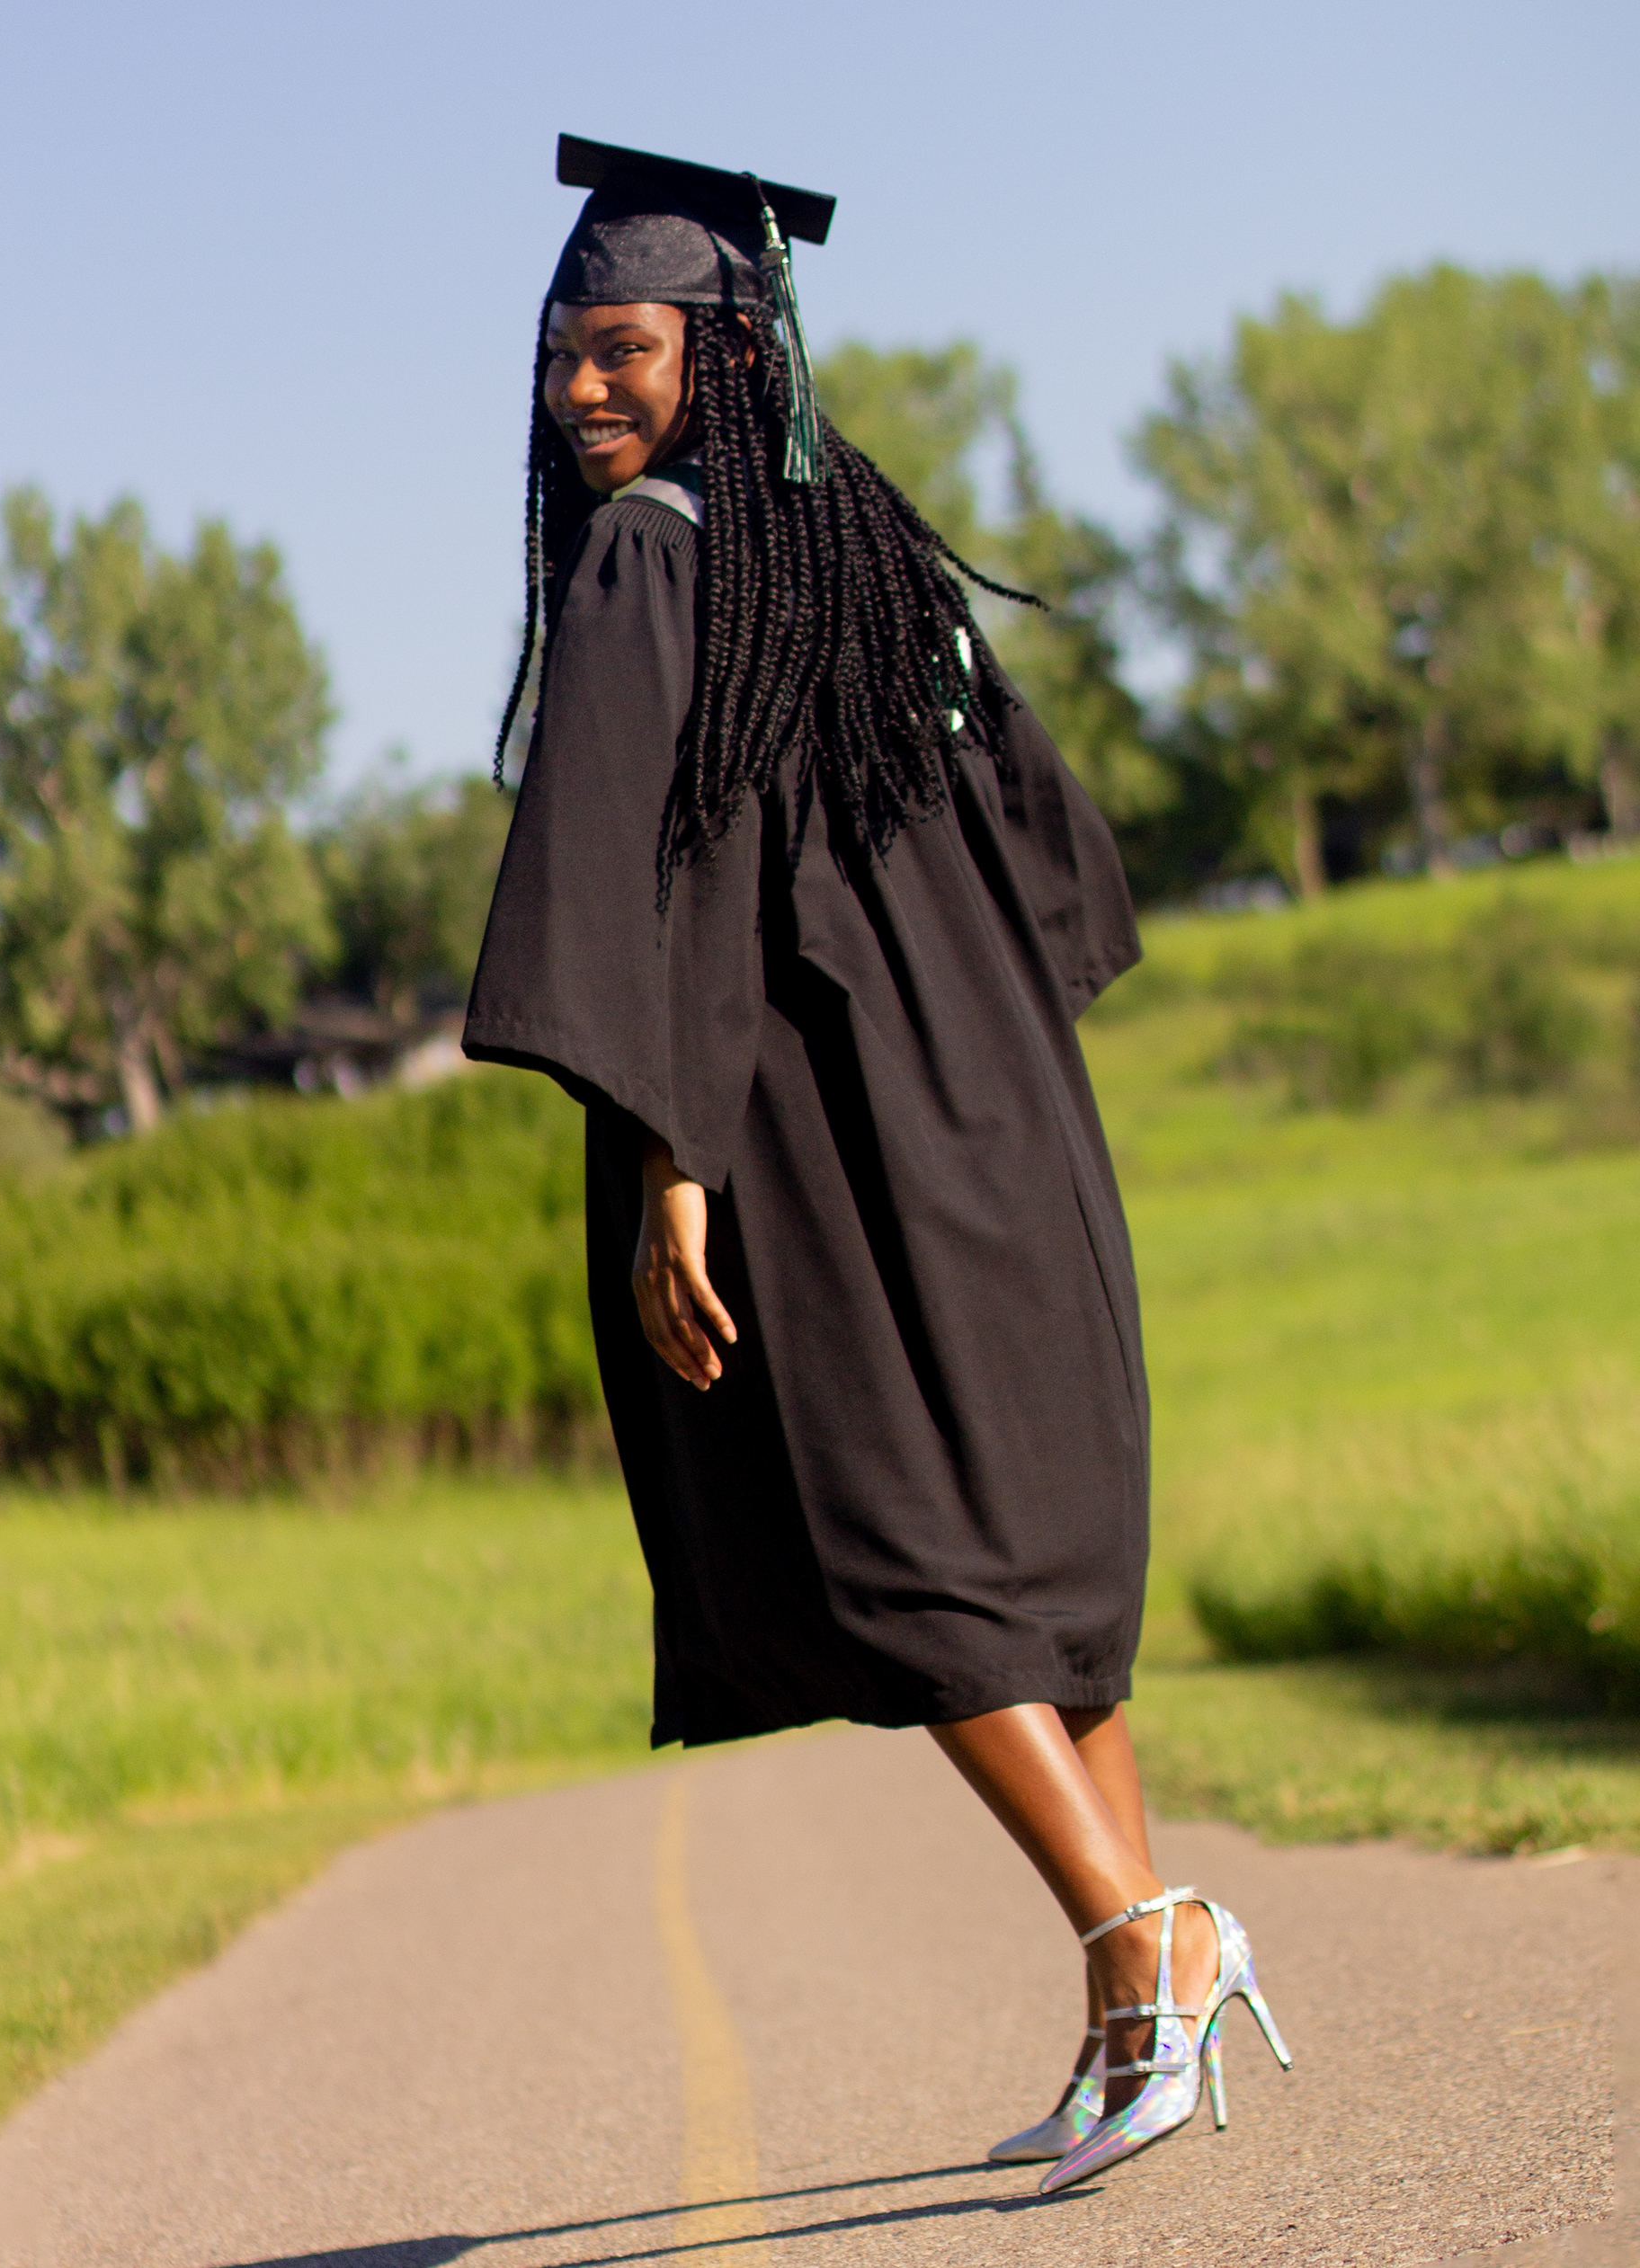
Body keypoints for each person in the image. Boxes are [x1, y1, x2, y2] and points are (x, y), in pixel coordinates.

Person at [464, 134, 1292, 2191]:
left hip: (815, 1140)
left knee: (897, 1556)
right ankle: (1132, 2026)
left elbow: (649, 872)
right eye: (564, 355)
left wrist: (673, 1159)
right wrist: (985, 1057)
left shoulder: (653, 555)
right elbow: (1050, 859)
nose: (584, 390)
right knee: (1032, 1575)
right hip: (1000, 1115)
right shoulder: (863, 559)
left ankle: (1154, 1937)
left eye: (625, 348)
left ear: (732, 349)